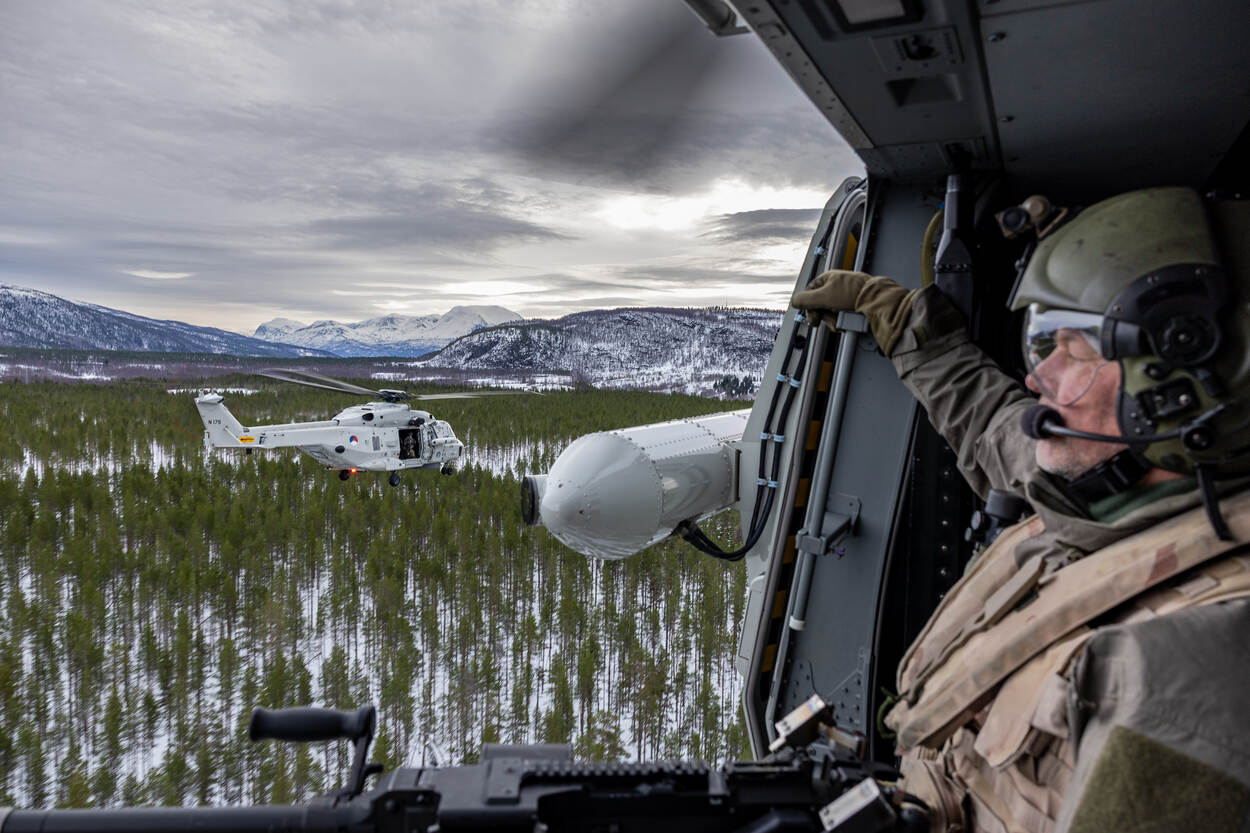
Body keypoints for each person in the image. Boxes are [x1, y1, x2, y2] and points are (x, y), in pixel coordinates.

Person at [791, 186, 1250, 833]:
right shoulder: (1114, 491)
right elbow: (994, 425)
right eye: (1045, 343)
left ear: (1179, 391)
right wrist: (907, 327)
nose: (1040, 377)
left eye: (1077, 350)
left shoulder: (1193, 675)